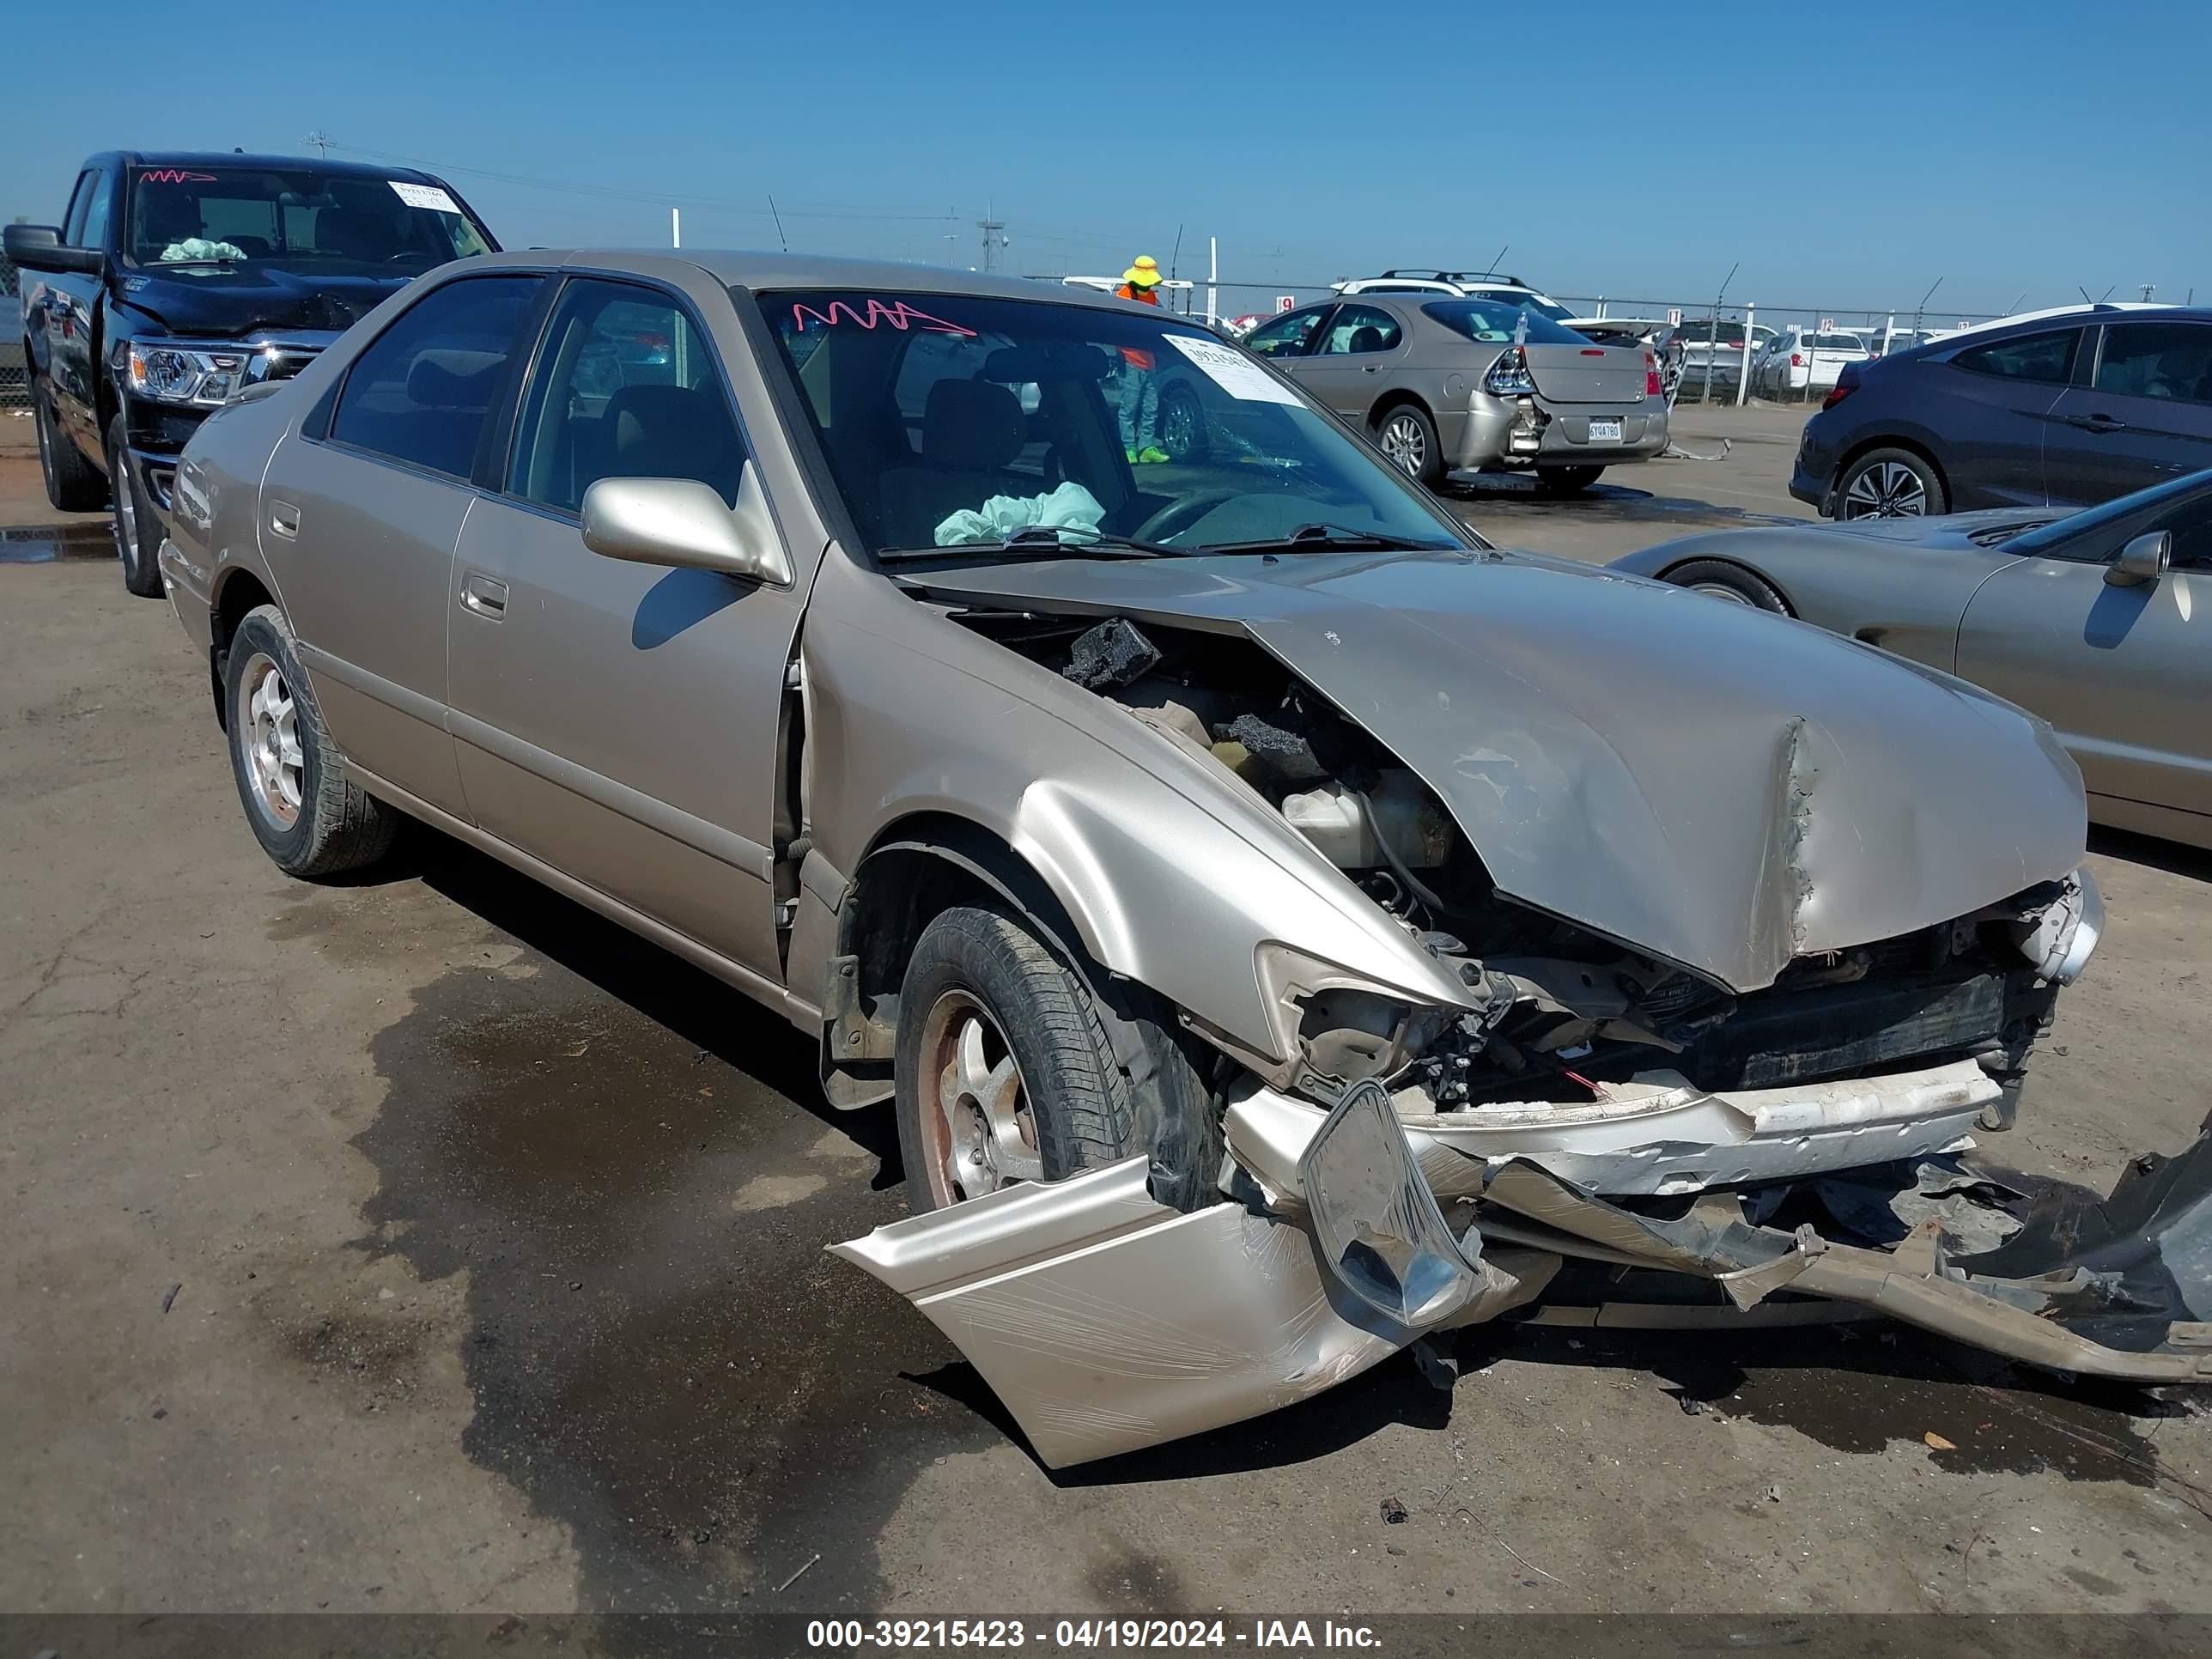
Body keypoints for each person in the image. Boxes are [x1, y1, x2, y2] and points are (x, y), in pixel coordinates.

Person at [1115, 257, 1170, 460]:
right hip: (1129, 361)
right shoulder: (1123, 296)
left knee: (1150, 408)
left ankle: (1146, 448)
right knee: (1128, 408)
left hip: (1150, 362)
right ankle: (1127, 448)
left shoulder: (1153, 299)